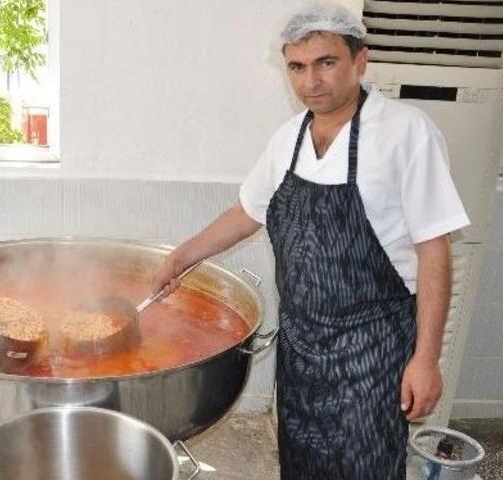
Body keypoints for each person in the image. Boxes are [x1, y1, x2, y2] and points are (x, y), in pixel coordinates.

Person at [151, 3, 470, 479]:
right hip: (302, 349)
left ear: (360, 60)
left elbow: (433, 250)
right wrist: (179, 257)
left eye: (326, 62)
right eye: (297, 67)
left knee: (366, 465)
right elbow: (246, 214)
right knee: (301, 462)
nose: (310, 81)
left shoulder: (407, 134)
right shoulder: (287, 140)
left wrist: (426, 360)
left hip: (373, 348)